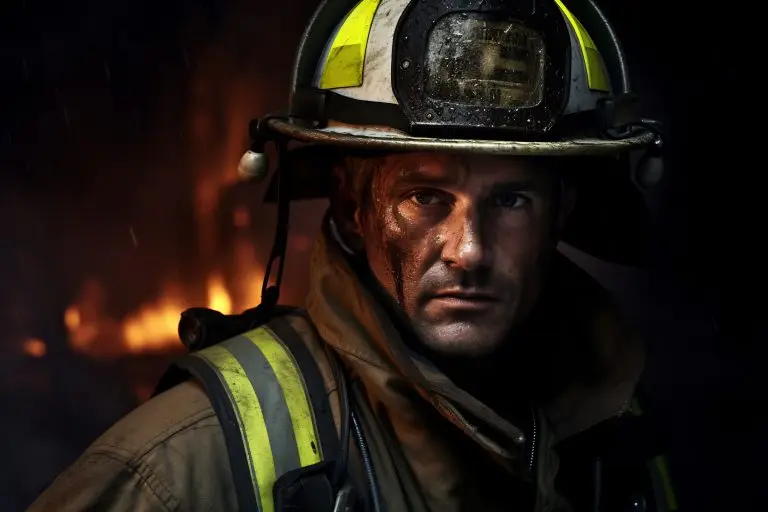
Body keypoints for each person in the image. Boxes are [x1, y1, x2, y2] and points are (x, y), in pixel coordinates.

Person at [29, 0, 676, 510]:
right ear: (350, 208)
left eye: (511, 202)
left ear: (562, 212)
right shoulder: (189, 461)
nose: (469, 251)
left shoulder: (614, 439)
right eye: (425, 197)